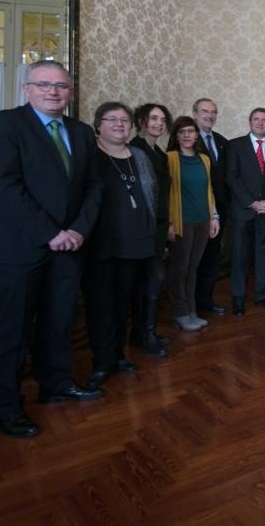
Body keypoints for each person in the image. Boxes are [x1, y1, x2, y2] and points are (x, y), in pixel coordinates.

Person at [0, 60, 103, 438]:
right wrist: (51, 233)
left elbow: (95, 188)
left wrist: (78, 230)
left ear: (71, 92)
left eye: (61, 86)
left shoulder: (81, 132)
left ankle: (57, 383)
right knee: (12, 330)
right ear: (26, 88)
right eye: (44, 84)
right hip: (19, 247)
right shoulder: (3, 124)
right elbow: (3, 186)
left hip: (69, 246)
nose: (53, 92)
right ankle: (5, 407)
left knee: (59, 321)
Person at [83, 102, 158, 390]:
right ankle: (101, 361)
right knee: (100, 304)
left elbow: (150, 196)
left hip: (137, 241)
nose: (119, 124)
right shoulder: (91, 155)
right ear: (98, 125)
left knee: (122, 302)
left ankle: (118, 355)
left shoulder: (138, 154)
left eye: (124, 120)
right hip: (102, 243)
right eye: (111, 119)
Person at [227, 107, 265, 316]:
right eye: (256, 119)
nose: (260, 123)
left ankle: (262, 295)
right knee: (240, 257)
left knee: (264, 255)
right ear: (249, 121)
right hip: (244, 211)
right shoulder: (235, 146)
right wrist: (251, 202)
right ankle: (238, 299)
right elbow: (232, 178)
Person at [167, 116, 221, 331]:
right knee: (179, 268)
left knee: (193, 267)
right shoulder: (170, 158)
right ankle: (180, 312)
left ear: (197, 134)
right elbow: (166, 193)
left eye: (190, 131)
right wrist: (170, 223)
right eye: (182, 132)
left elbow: (209, 190)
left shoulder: (204, 159)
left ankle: (191, 310)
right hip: (182, 221)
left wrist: (214, 216)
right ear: (176, 136)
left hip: (203, 220)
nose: (187, 135)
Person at [129, 103, 173, 356]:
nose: (158, 123)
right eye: (153, 118)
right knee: (149, 279)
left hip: (158, 224)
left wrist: (167, 223)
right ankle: (143, 334)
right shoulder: (135, 149)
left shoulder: (160, 153)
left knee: (152, 280)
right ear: (142, 121)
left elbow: (162, 194)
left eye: (162, 119)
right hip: (142, 226)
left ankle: (147, 331)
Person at [193, 98, 229, 316]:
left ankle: (205, 300)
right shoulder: (186, 138)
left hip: (220, 211)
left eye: (213, 112)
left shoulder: (222, 141)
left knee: (212, 258)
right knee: (192, 259)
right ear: (195, 113)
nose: (209, 115)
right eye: (205, 111)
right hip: (195, 209)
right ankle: (189, 305)